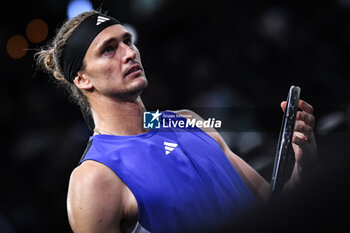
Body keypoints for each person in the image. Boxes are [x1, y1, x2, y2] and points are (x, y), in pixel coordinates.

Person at [36, 10, 317, 233]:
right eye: (109, 49)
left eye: (127, 41)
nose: (130, 53)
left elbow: (273, 205)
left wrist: (302, 163)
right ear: (83, 79)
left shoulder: (188, 122)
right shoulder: (93, 179)